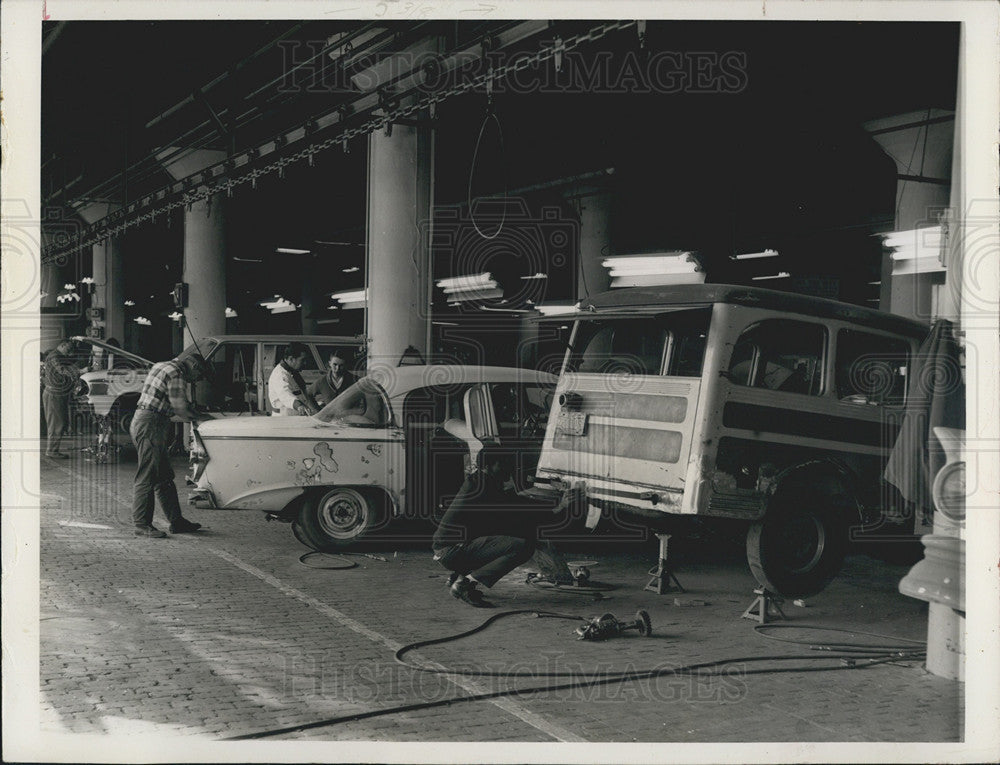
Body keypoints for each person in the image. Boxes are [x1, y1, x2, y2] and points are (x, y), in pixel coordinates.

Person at [432, 447, 580, 607]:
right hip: (452, 551)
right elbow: (517, 511)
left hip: (449, 548)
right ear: (487, 467)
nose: (506, 467)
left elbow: (516, 504)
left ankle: (459, 576)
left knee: (512, 540)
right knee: (522, 547)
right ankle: (464, 584)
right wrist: (558, 508)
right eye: (501, 464)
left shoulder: (480, 481)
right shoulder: (484, 489)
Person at [130, 352, 212, 538]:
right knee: (147, 475)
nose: (195, 380)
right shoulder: (177, 373)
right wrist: (203, 419)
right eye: (197, 375)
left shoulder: (161, 364)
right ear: (192, 365)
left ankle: (177, 522)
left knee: (164, 476)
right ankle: (142, 524)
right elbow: (180, 408)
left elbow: (173, 405)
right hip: (151, 424)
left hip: (146, 421)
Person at [42, 339, 82, 458]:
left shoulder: (59, 355)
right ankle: (52, 451)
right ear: (62, 345)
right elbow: (62, 370)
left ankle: (53, 449)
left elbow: (69, 362)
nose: (70, 352)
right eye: (68, 349)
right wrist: (80, 371)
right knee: (55, 424)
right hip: (53, 394)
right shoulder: (55, 356)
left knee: (59, 422)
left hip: (57, 394)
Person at [267, 342, 319, 416]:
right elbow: (285, 395)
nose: (305, 363)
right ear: (291, 359)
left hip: (295, 416)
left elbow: (303, 394)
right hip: (284, 419)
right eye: (303, 360)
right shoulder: (280, 375)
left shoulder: (293, 372)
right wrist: (299, 406)